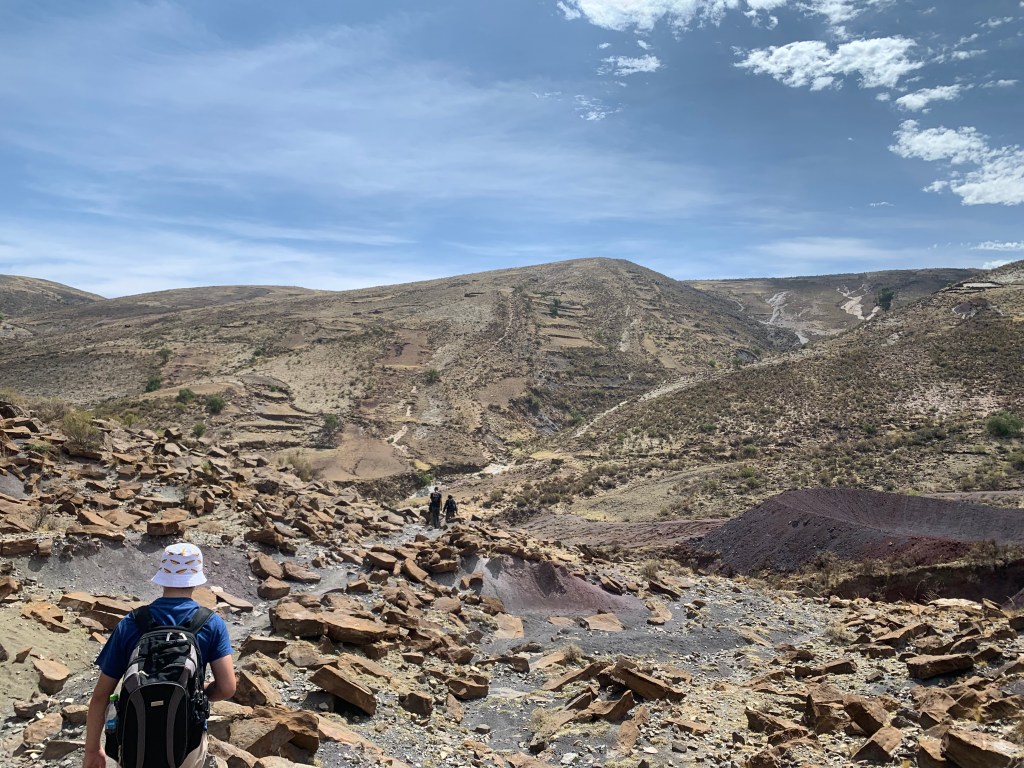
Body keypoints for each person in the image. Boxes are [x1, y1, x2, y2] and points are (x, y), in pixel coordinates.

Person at [83, 543, 236, 768]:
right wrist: (194, 691)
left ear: (162, 576)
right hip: (187, 740)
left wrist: (92, 749)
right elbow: (227, 688)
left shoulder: (131, 622)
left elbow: (101, 695)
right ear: (196, 578)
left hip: (135, 737)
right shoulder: (211, 623)